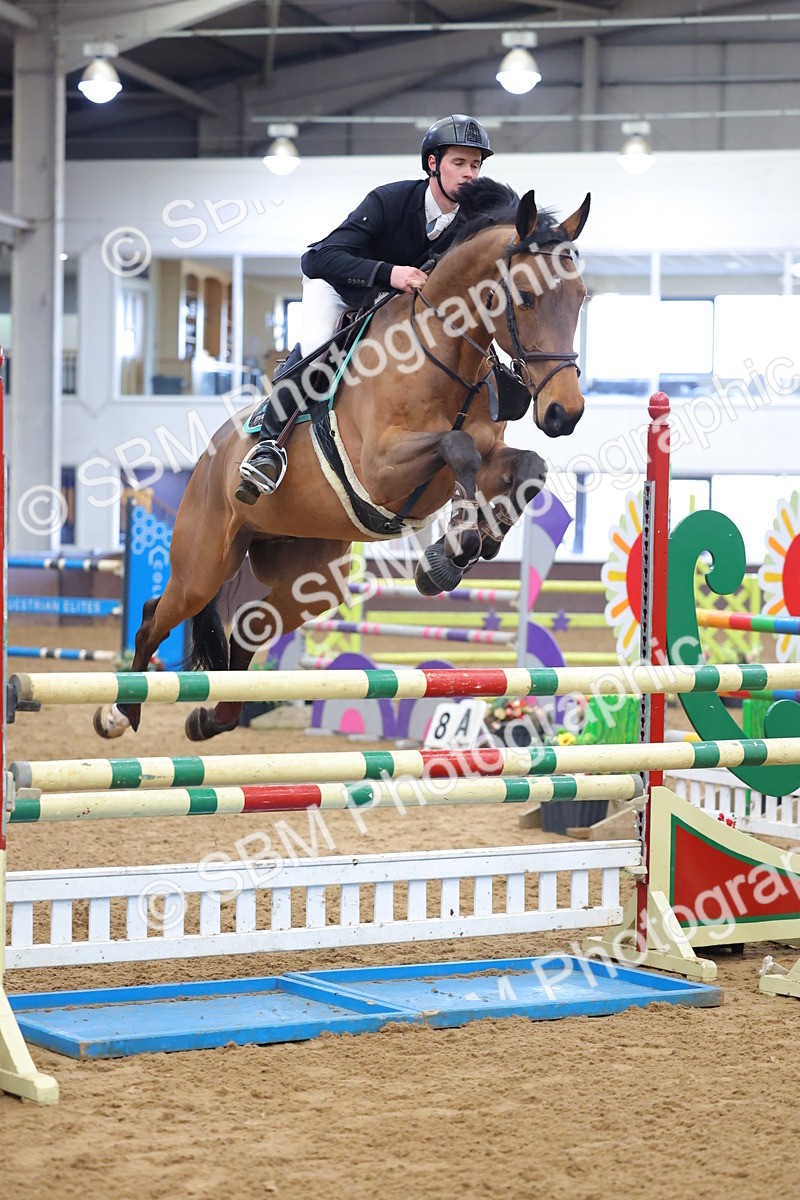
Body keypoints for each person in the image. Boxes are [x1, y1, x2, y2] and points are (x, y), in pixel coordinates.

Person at [236, 114, 493, 504]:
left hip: (397, 309)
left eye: (475, 165)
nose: (469, 174)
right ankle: (268, 446)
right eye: (459, 163)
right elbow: (317, 260)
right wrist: (388, 273)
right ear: (432, 164)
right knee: (319, 350)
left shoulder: (471, 224)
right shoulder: (389, 200)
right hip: (341, 289)